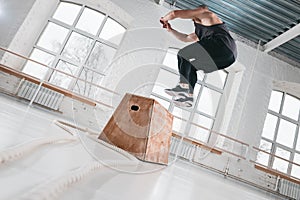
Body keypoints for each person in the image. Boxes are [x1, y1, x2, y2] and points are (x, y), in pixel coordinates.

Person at [160, 5, 237, 107]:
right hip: (227, 58)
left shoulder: (207, 15)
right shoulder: (199, 33)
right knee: (191, 66)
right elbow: (185, 38)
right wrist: (171, 30)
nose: (193, 20)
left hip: (223, 46)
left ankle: (182, 86)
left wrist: (164, 19)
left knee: (183, 54)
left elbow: (174, 14)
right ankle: (188, 97)